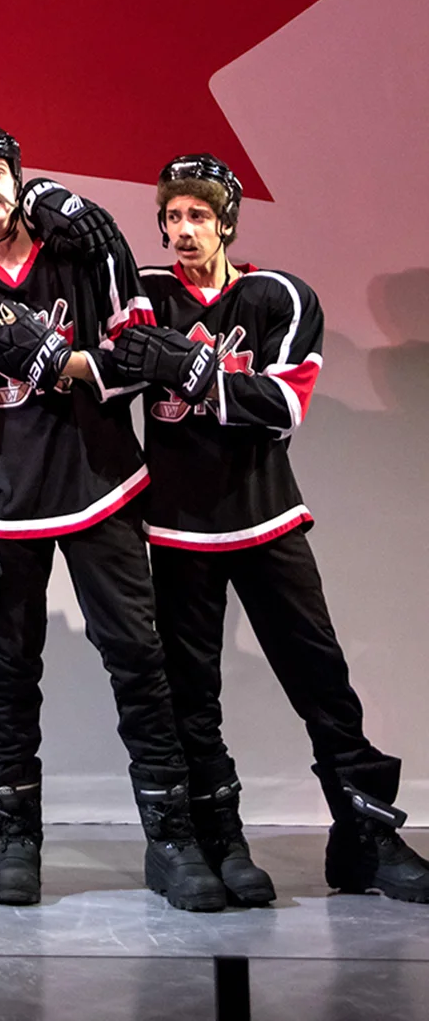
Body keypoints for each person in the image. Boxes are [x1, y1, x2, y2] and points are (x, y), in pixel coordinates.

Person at [110, 154, 429, 905]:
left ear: (226, 220)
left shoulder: (278, 295)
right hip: (180, 533)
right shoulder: (145, 294)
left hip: (267, 520)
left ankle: (365, 839)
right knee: (193, 693)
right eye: (173, 216)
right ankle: (219, 839)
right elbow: (114, 358)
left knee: (322, 680)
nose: (184, 229)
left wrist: (187, 369)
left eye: (198, 215)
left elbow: (282, 409)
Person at [0, 125, 225, 910]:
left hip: (101, 486)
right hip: (2, 502)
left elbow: (145, 354)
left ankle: (171, 836)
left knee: (138, 658)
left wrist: (69, 361)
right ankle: (16, 841)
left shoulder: (80, 249)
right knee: (8, 673)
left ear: (21, 178)